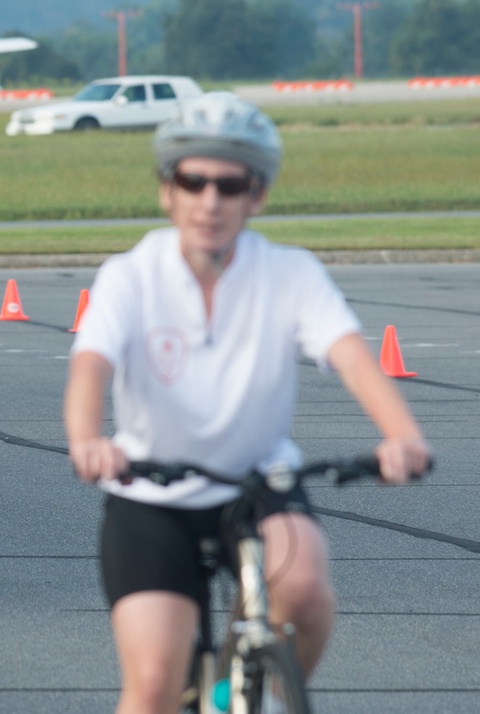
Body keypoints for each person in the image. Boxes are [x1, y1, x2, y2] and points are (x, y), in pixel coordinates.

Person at [63, 91, 432, 714]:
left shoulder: (289, 272)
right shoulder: (132, 274)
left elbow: (350, 356)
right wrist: (87, 440)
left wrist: (403, 435)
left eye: (230, 186)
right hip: (151, 496)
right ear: (167, 191)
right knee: (153, 685)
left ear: (256, 195)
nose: (210, 201)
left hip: (259, 486)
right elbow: (90, 365)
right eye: (193, 181)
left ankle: (256, 689)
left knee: (308, 594)